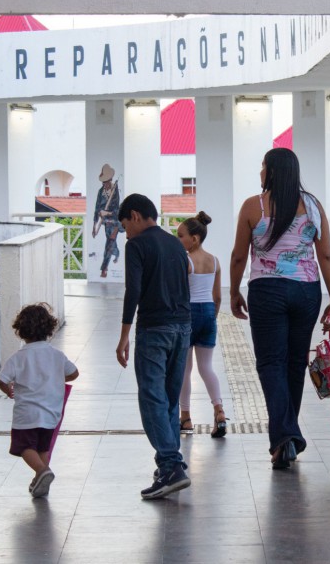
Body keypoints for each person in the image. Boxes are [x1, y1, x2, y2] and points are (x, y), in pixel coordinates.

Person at [230, 148, 330, 470]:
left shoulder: (255, 206)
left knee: (270, 363)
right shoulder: (314, 206)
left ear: (273, 172)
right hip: (307, 291)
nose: (260, 173)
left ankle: (285, 436)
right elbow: (327, 256)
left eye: (263, 167)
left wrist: (235, 290)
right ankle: (285, 439)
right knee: (293, 362)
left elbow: (238, 255)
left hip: (268, 290)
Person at [114, 193, 193, 499]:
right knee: (170, 398)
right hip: (182, 327)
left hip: (155, 328)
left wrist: (124, 336)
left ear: (134, 215)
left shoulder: (136, 245)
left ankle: (171, 465)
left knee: (151, 396)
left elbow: (132, 290)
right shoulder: (175, 243)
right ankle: (168, 466)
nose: (125, 233)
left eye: (124, 226)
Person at [0, 303, 79, 498]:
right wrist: (56, 378)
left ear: (21, 331)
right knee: (43, 447)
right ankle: (41, 480)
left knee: (24, 447)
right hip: (51, 412)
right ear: (49, 329)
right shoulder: (56, 356)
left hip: (27, 414)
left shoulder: (19, 358)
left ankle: (42, 472)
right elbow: (74, 373)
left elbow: (2, 380)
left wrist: (8, 390)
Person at [176, 211, 227, 438]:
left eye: (180, 236)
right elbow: (217, 297)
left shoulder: (186, 261)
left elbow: (179, 293)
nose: (178, 240)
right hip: (208, 312)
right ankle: (219, 411)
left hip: (188, 314)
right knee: (207, 368)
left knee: (185, 370)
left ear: (194, 239)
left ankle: (185, 417)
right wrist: (212, 317)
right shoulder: (215, 261)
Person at [91, 163, 121, 279]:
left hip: (115, 223)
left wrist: (107, 213)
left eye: (107, 182)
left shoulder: (115, 190)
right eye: (103, 182)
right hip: (105, 223)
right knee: (111, 243)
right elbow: (96, 209)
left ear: (111, 180)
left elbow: (117, 210)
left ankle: (104, 269)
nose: (105, 185)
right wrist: (94, 227)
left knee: (109, 244)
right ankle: (116, 253)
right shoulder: (100, 192)